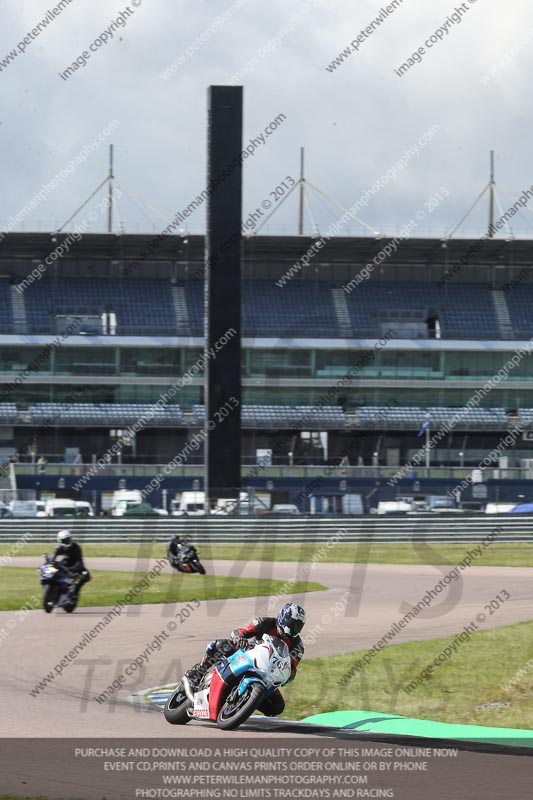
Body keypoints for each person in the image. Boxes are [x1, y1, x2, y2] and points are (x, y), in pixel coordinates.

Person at [184, 603, 306, 717]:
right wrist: (240, 638)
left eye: (298, 626)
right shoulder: (264, 622)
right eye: (292, 623)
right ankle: (198, 672)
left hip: (267, 674)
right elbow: (239, 632)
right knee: (221, 645)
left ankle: (244, 703)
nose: (293, 628)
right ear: (283, 618)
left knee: (277, 706)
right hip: (248, 655)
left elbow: (292, 668)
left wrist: (288, 676)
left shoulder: (298, 646)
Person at [51, 530, 91, 600]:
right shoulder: (59, 548)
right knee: (54, 571)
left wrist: (71, 570)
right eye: (65, 540)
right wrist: (51, 564)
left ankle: (76, 590)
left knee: (87, 576)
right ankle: (55, 588)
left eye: (68, 539)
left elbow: (79, 562)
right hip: (65, 563)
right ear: (60, 540)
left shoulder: (76, 547)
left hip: (76, 565)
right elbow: (52, 558)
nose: (67, 541)